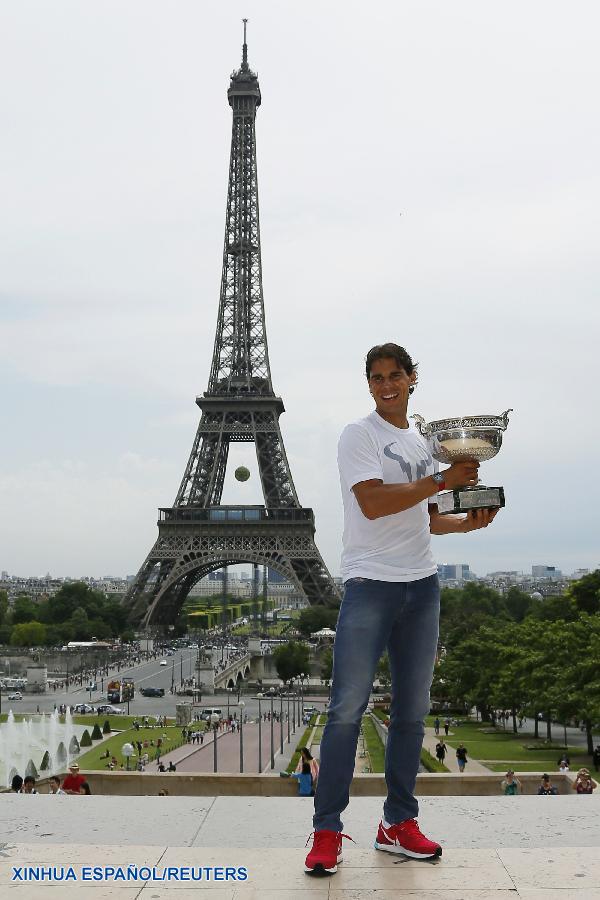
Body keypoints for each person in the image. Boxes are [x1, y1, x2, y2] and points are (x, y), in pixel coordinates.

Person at [304, 343, 499, 876]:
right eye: (376, 377)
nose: (386, 384)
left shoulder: (421, 442)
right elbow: (373, 502)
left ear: (413, 379)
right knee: (346, 710)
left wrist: (465, 523)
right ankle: (327, 830)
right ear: (368, 384)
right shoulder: (359, 435)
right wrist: (440, 480)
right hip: (371, 584)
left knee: (412, 714)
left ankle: (397, 823)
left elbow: (425, 517)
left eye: (395, 375)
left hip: (422, 586)